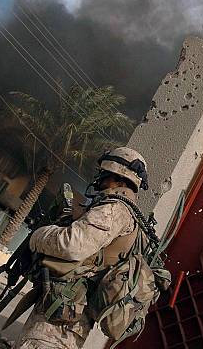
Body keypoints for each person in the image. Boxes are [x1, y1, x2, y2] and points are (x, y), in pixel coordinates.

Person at [14, 147, 149, 349]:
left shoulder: (113, 208)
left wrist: (38, 236)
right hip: (67, 312)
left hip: (60, 321)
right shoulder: (125, 211)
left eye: (105, 175)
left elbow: (72, 245)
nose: (100, 180)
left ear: (119, 179)